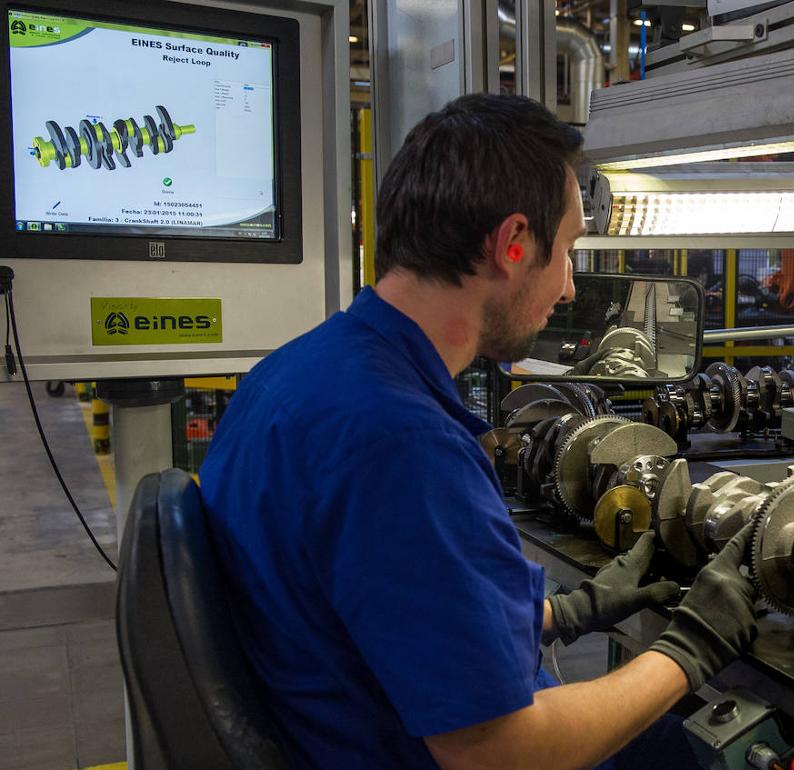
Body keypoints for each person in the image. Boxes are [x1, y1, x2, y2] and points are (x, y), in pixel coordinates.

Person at [198, 93, 759, 770]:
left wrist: (575, 610)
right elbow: (498, 753)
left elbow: (386, 614)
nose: (570, 288)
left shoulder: (296, 376)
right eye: (568, 251)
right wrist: (690, 648)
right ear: (513, 243)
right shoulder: (400, 443)